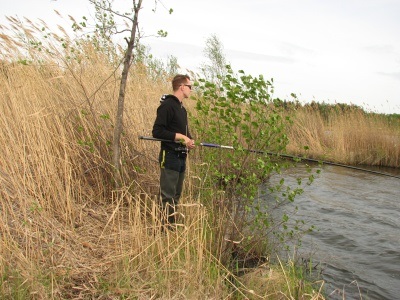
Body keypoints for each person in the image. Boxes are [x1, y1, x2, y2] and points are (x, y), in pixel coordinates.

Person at [152, 74, 195, 230]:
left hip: (181, 157)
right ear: (182, 87)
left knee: (176, 196)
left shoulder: (182, 109)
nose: (191, 90)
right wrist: (180, 137)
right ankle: (163, 229)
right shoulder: (167, 105)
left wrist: (189, 140)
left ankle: (170, 226)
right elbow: (157, 131)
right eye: (190, 87)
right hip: (169, 156)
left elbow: (184, 132)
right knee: (168, 197)